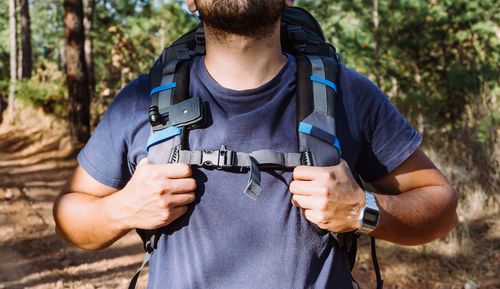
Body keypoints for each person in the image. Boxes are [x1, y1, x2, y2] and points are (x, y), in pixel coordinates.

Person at [53, 0, 458, 288]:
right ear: (191, 2)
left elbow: (442, 205)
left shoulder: (348, 94)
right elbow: (70, 215)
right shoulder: (139, 101)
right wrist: (123, 208)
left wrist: (363, 210)